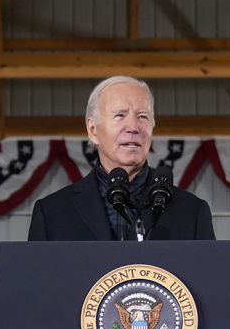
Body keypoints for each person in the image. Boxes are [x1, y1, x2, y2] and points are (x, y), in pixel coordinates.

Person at [27, 76, 215, 241]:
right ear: (93, 130)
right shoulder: (52, 213)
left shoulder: (192, 212)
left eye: (142, 116)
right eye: (120, 115)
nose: (133, 127)